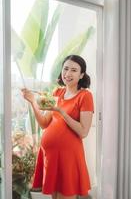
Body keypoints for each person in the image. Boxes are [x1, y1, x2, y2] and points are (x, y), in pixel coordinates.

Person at [21, 54, 94, 199]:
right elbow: (44, 123)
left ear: (81, 75)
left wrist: (61, 111)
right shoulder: (57, 92)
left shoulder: (85, 96)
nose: (68, 73)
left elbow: (83, 131)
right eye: (66, 69)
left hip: (69, 158)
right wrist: (33, 102)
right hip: (51, 157)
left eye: (74, 70)